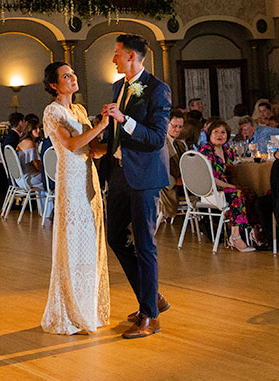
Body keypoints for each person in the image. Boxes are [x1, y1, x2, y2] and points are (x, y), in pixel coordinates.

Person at [94, 34, 171, 340]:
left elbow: (156, 139)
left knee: (144, 245)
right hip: (119, 174)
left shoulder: (158, 89)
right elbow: (118, 133)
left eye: (116, 54)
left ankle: (150, 316)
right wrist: (102, 142)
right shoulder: (119, 87)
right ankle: (152, 298)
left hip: (145, 176)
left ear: (131, 56)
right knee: (115, 236)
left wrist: (124, 119)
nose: (113, 59)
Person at [40, 62, 111, 335]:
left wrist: (118, 143)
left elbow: (92, 150)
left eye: (73, 74)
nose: (72, 78)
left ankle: (88, 308)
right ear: (54, 85)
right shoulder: (52, 111)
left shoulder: (79, 111)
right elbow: (70, 145)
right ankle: (69, 312)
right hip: (70, 181)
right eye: (66, 76)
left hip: (88, 176)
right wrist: (101, 124)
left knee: (90, 243)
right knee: (73, 242)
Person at [198, 119, 259, 252]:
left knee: (250, 192)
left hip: (227, 186)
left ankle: (253, 232)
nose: (220, 135)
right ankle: (235, 236)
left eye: (223, 132)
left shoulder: (228, 151)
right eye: (216, 132)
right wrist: (231, 186)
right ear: (209, 134)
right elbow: (210, 178)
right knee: (237, 194)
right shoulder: (206, 150)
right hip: (212, 189)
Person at [159, 109, 188, 220]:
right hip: (167, 187)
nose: (178, 130)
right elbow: (159, 169)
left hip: (181, 181)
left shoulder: (179, 144)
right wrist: (176, 181)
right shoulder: (161, 143)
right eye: (175, 126)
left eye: (180, 127)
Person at [15, 114, 46, 190]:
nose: (38, 130)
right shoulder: (30, 143)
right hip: (29, 179)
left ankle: (44, 201)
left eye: (39, 128)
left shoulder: (22, 142)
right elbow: (37, 166)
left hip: (19, 178)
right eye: (35, 128)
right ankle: (49, 201)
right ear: (29, 129)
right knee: (54, 179)